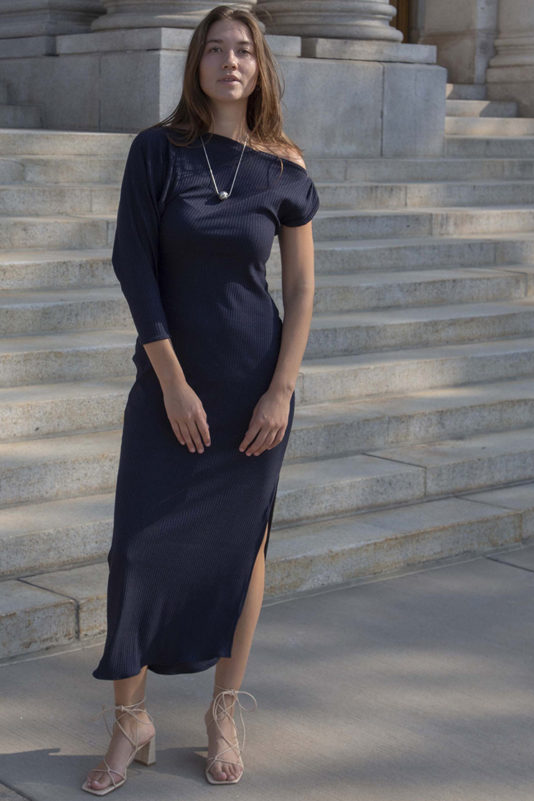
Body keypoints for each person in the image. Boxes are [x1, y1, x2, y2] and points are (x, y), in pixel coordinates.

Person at [82, 4, 319, 795]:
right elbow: (132, 263)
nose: (229, 61)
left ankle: (223, 711)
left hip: (255, 388)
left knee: (242, 553)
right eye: (215, 48)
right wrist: (171, 380)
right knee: (136, 549)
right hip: (170, 387)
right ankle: (131, 720)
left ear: (261, 66)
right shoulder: (159, 150)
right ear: (195, 62)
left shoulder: (284, 163)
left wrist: (281, 388)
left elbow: (300, 284)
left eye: (243, 50)